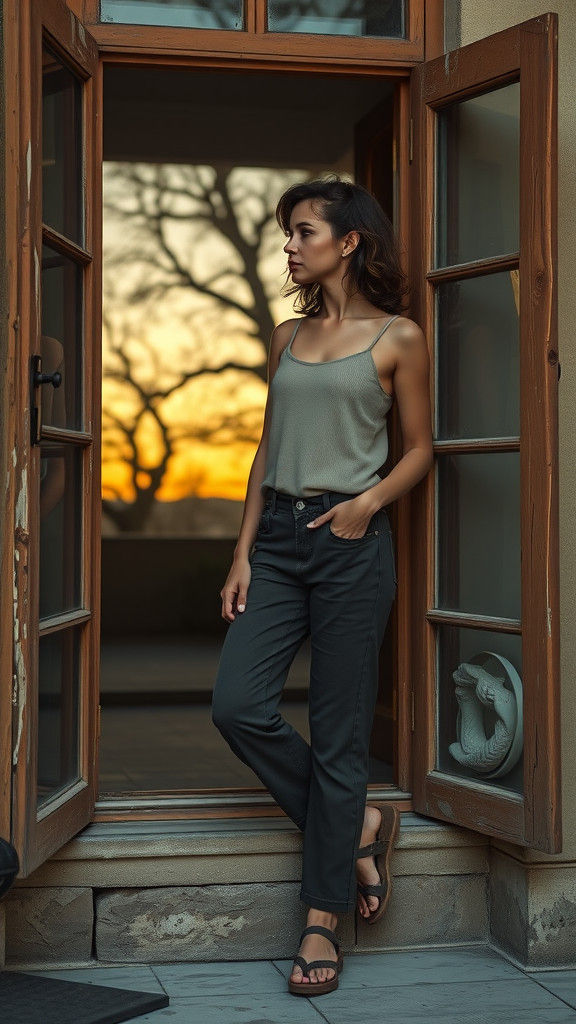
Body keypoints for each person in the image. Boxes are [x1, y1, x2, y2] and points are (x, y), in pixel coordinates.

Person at [211, 174, 433, 996]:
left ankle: (320, 923)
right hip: (277, 542)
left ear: (349, 242)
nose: (290, 245)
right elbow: (266, 454)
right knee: (237, 704)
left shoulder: (398, 337)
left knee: (339, 736)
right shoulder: (284, 338)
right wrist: (242, 552)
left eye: (304, 231)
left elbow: (418, 447)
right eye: (287, 232)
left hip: (350, 543)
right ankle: (364, 827)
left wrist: (366, 504)